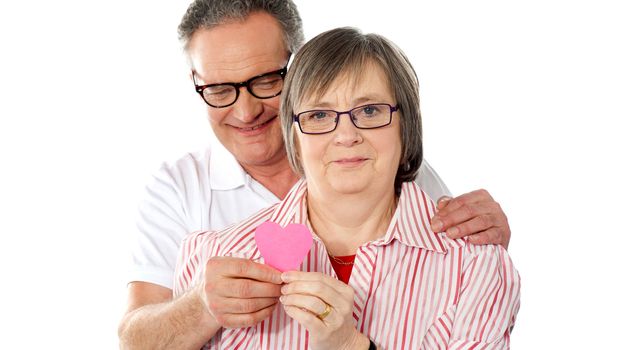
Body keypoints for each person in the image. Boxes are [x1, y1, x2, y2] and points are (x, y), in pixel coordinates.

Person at [118, 1, 513, 348]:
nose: (245, 111)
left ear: (296, 71)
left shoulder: (430, 206)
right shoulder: (191, 217)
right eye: (220, 90)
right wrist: (200, 305)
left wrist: (487, 246)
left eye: (265, 80)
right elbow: (136, 340)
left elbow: (465, 261)